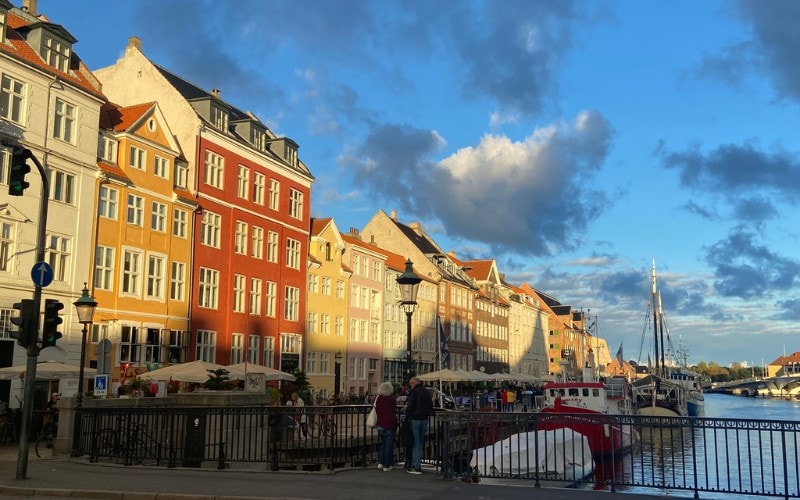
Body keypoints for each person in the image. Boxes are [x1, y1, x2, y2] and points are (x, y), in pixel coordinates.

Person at [405, 376, 432, 474]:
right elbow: (430, 405)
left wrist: (408, 410)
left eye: (411, 384)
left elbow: (411, 405)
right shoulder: (426, 391)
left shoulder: (414, 391)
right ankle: (415, 464)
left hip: (415, 418)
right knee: (420, 442)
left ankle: (416, 466)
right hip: (424, 418)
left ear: (413, 383)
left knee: (415, 442)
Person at [374, 382, 398, 471]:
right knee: (389, 444)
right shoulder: (391, 399)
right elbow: (393, 408)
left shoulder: (378, 398)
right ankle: (387, 465)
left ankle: (381, 462)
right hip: (390, 423)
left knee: (383, 443)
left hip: (380, 423)